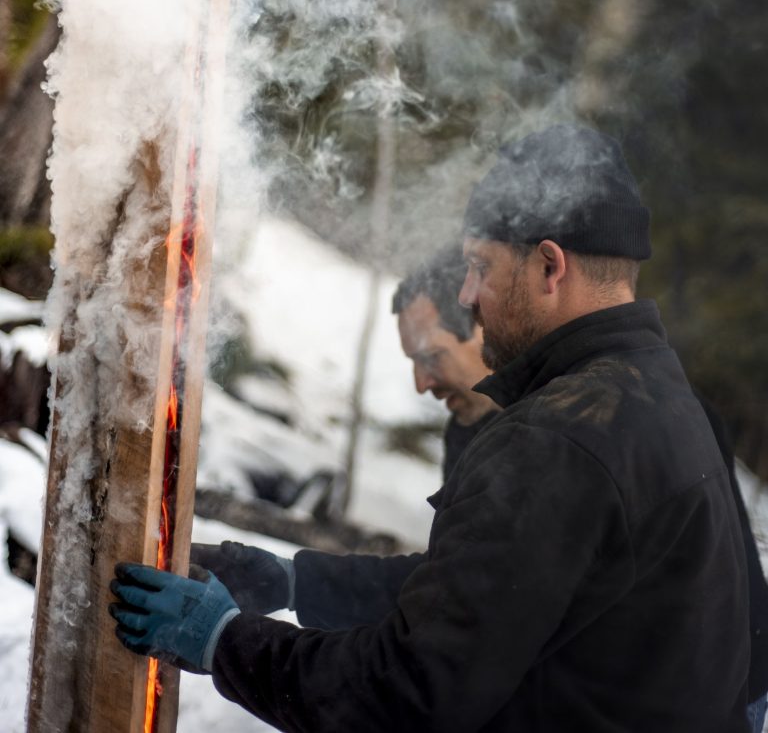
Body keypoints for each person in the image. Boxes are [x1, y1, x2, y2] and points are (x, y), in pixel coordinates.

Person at [110, 124, 752, 732]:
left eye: (481, 267)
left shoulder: (558, 440)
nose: (468, 293)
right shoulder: (664, 399)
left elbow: (408, 693)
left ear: (550, 267)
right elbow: (484, 595)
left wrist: (225, 642)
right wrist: (296, 582)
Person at [392, 244, 498, 481]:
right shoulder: (467, 434)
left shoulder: (571, 437)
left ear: (488, 329)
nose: (421, 384)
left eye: (433, 357)